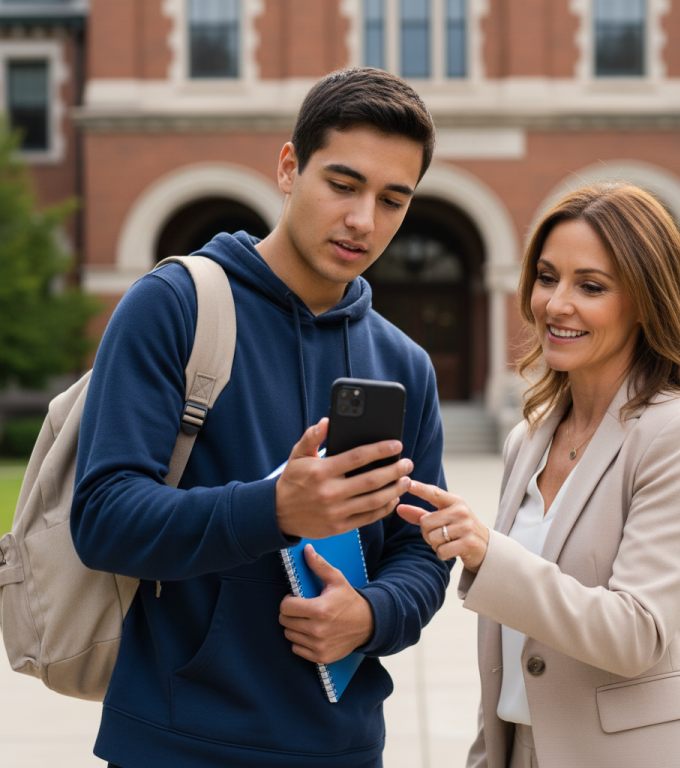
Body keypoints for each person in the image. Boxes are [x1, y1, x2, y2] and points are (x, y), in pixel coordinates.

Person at [71, 67, 451, 768]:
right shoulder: (174, 305)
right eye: (343, 184)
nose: (364, 220)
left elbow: (422, 550)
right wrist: (274, 508)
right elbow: (103, 518)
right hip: (177, 743)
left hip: (343, 748)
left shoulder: (405, 364)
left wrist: (371, 616)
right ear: (288, 167)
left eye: (392, 200)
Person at [398, 182, 680, 768]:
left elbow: (635, 635)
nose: (556, 304)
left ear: (646, 301)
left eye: (591, 286)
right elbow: (508, 649)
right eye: (547, 277)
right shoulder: (526, 441)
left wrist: (488, 553)